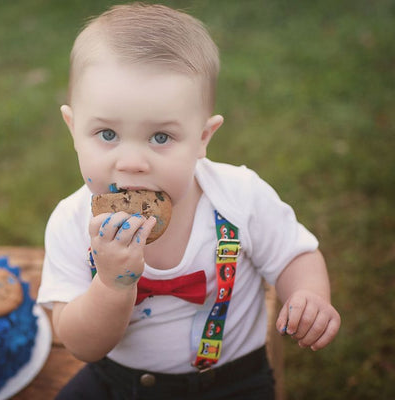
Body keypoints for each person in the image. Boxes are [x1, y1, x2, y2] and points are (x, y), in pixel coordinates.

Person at [37, 3, 340, 399]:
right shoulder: (72, 221)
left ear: (202, 138)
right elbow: (81, 345)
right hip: (117, 381)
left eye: (161, 137)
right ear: (73, 129)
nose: (132, 163)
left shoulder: (239, 195)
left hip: (230, 380)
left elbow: (293, 255)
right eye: (107, 134)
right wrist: (112, 284)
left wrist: (309, 295)